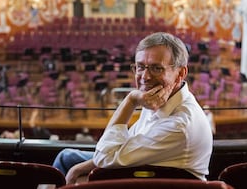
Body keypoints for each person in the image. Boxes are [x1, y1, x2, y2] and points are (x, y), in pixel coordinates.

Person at [53, 32, 213, 184]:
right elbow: (123, 143)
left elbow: (105, 156)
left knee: (67, 161)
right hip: (147, 170)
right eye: (140, 66)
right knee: (66, 157)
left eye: (157, 68)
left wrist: (130, 100)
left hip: (150, 181)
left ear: (180, 74)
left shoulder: (179, 125)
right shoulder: (159, 97)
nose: (145, 76)